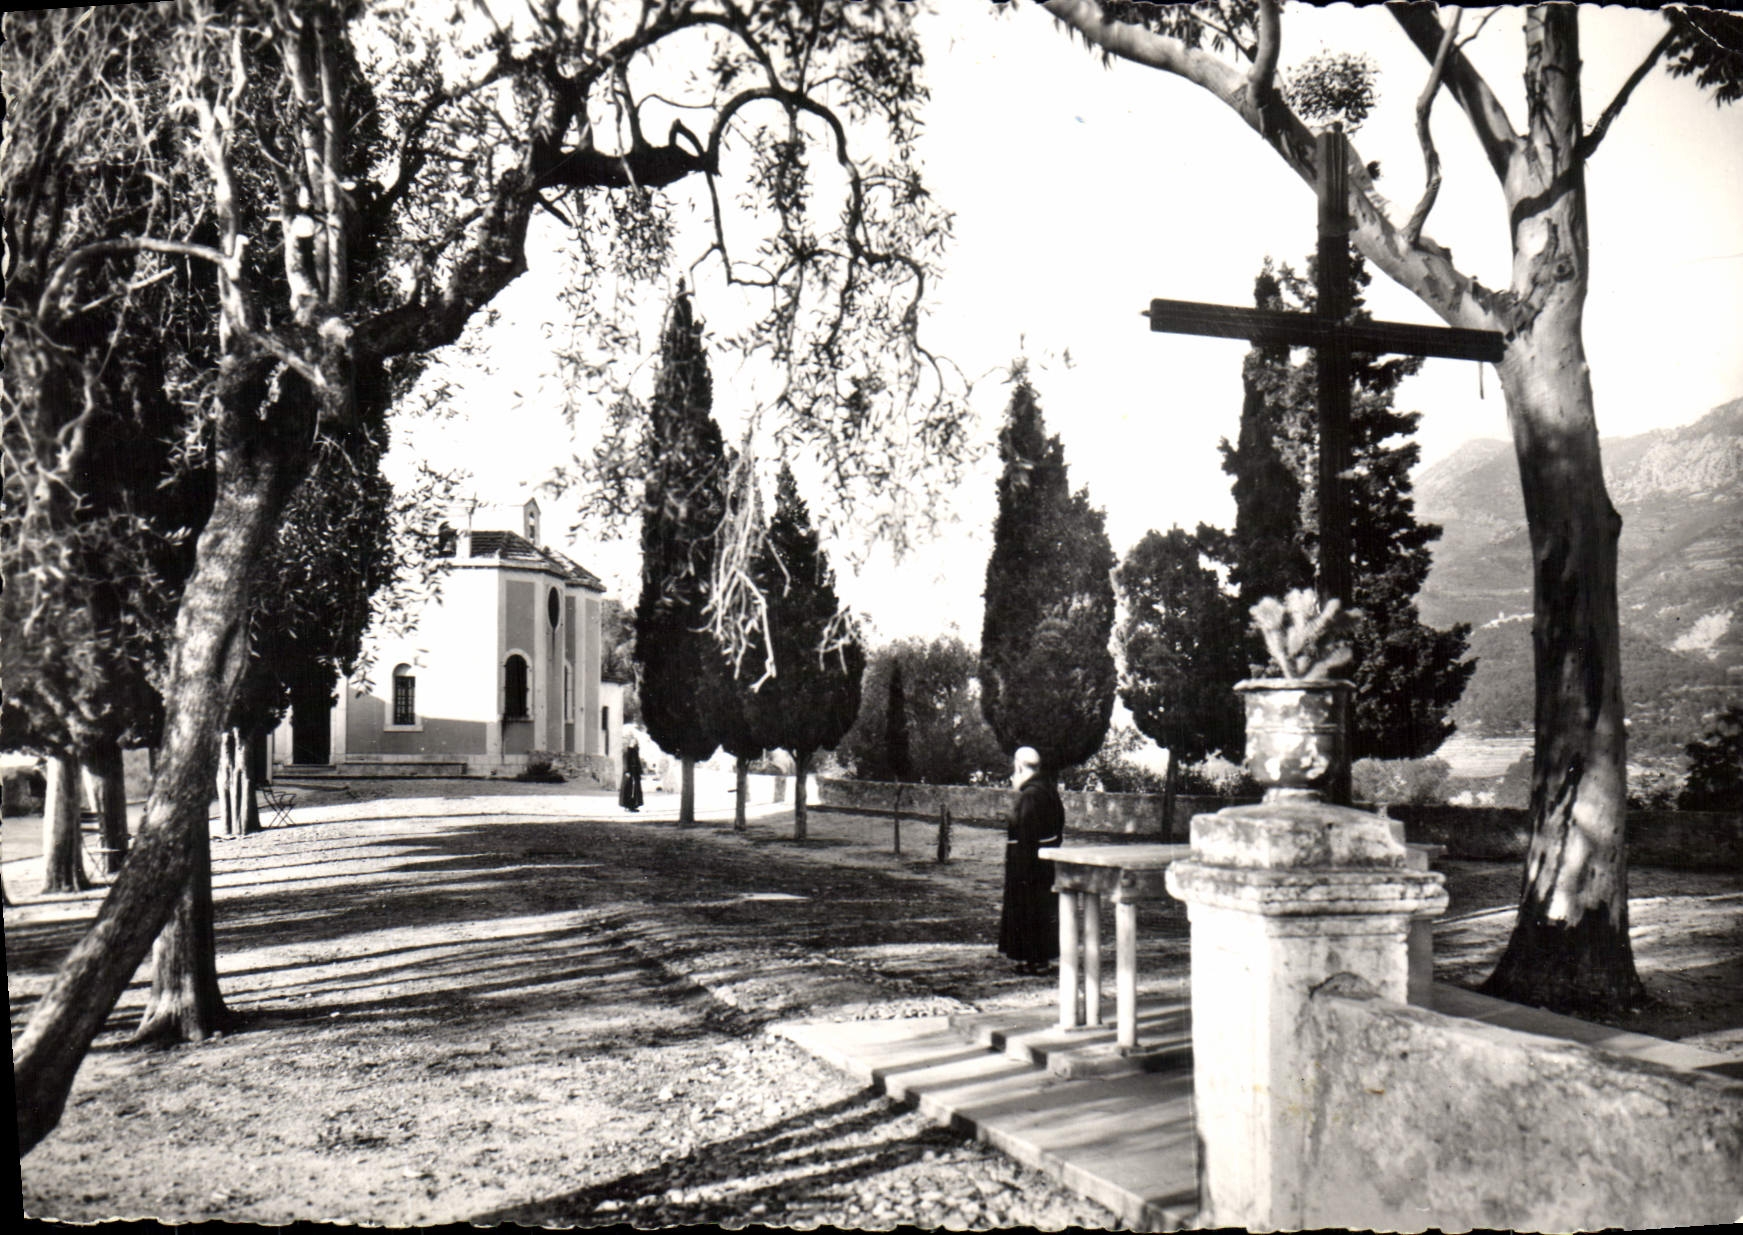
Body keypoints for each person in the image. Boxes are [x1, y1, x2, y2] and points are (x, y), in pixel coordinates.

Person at [998, 745, 1063, 973]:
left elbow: (1026, 833)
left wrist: (1020, 869)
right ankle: (1039, 960)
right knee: (1041, 911)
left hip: (1029, 864)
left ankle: (1035, 962)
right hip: (1045, 862)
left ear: (1018, 766)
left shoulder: (1031, 795)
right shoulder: (1048, 790)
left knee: (1029, 911)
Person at [619, 736, 644, 813]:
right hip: (629, 774)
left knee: (635, 790)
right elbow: (626, 761)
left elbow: (637, 762)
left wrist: (640, 772)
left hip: (635, 773)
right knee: (628, 790)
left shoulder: (635, 751)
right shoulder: (627, 751)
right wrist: (627, 771)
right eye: (633, 742)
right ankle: (627, 806)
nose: (635, 743)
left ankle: (633, 805)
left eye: (636, 742)